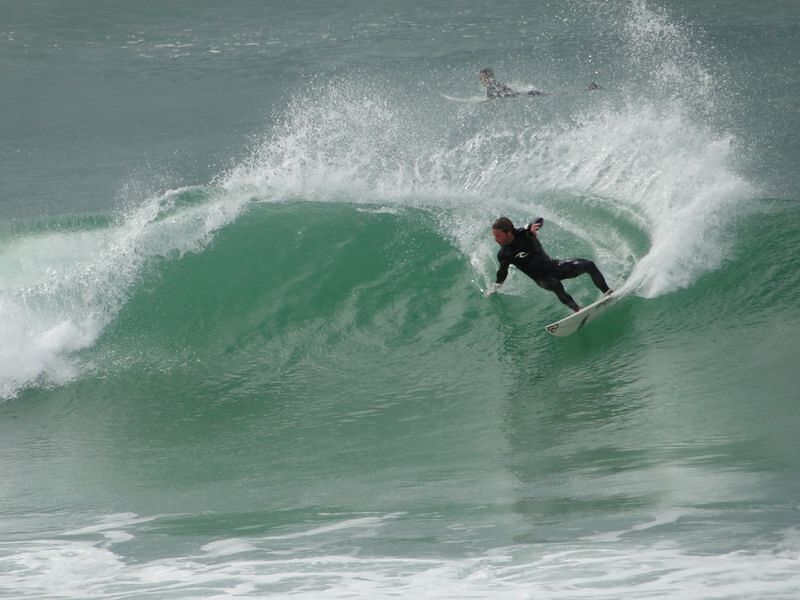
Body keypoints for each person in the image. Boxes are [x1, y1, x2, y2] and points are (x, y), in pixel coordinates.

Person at [486, 216, 612, 312]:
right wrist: (496, 287)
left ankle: (608, 293)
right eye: (495, 236)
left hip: (554, 267)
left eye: (498, 236)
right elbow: (502, 271)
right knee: (555, 284)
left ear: (509, 232)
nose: (496, 240)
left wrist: (534, 227)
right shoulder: (504, 254)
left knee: (588, 265)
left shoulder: (524, 233)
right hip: (542, 278)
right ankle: (577, 310)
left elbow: (539, 220)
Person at [479, 68, 601, 99]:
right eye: (481, 79)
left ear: (489, 78)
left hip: (528, 95)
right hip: (528, 93)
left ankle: (588, 89)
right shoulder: (496, 85)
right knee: (554, 94)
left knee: (556, 94)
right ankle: (588, 89)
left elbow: (495, 99)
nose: (482, 81)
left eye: (483, 78)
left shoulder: (491, 89)